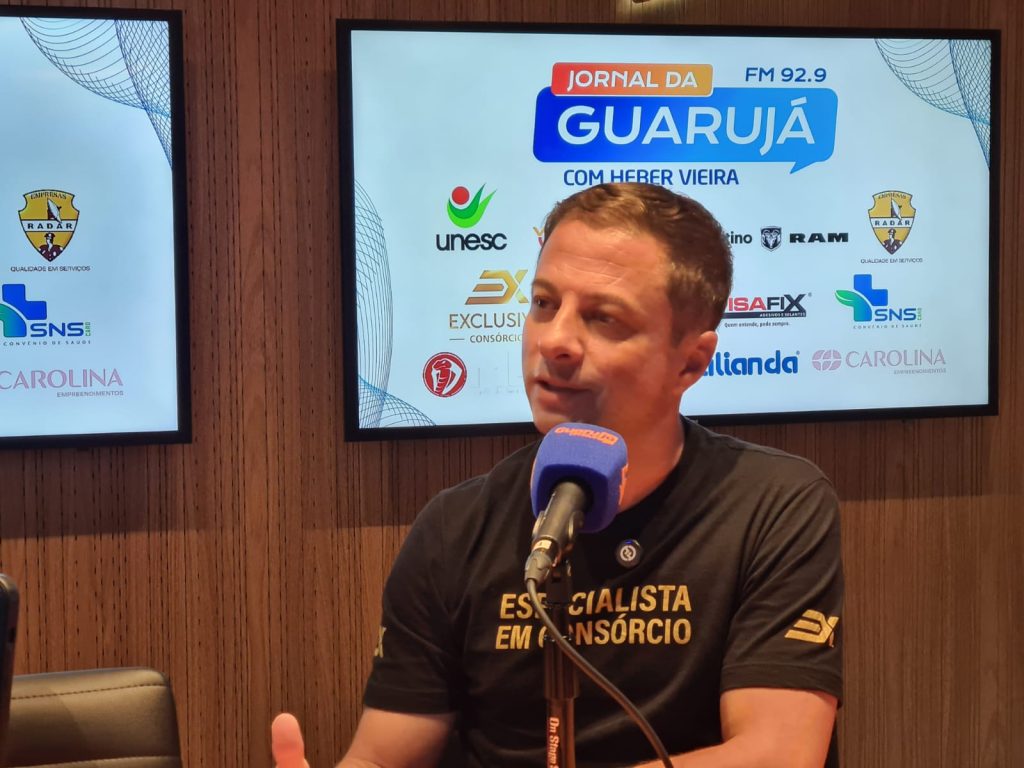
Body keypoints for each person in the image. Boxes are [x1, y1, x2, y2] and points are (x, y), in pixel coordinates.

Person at [273, 183, 843, 768]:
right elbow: (382, 756)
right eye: (544, 304)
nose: (554, 341)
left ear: (691, 361)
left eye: (604, 318)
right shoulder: (454, 527)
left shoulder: (774, 505)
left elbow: (778, 754)